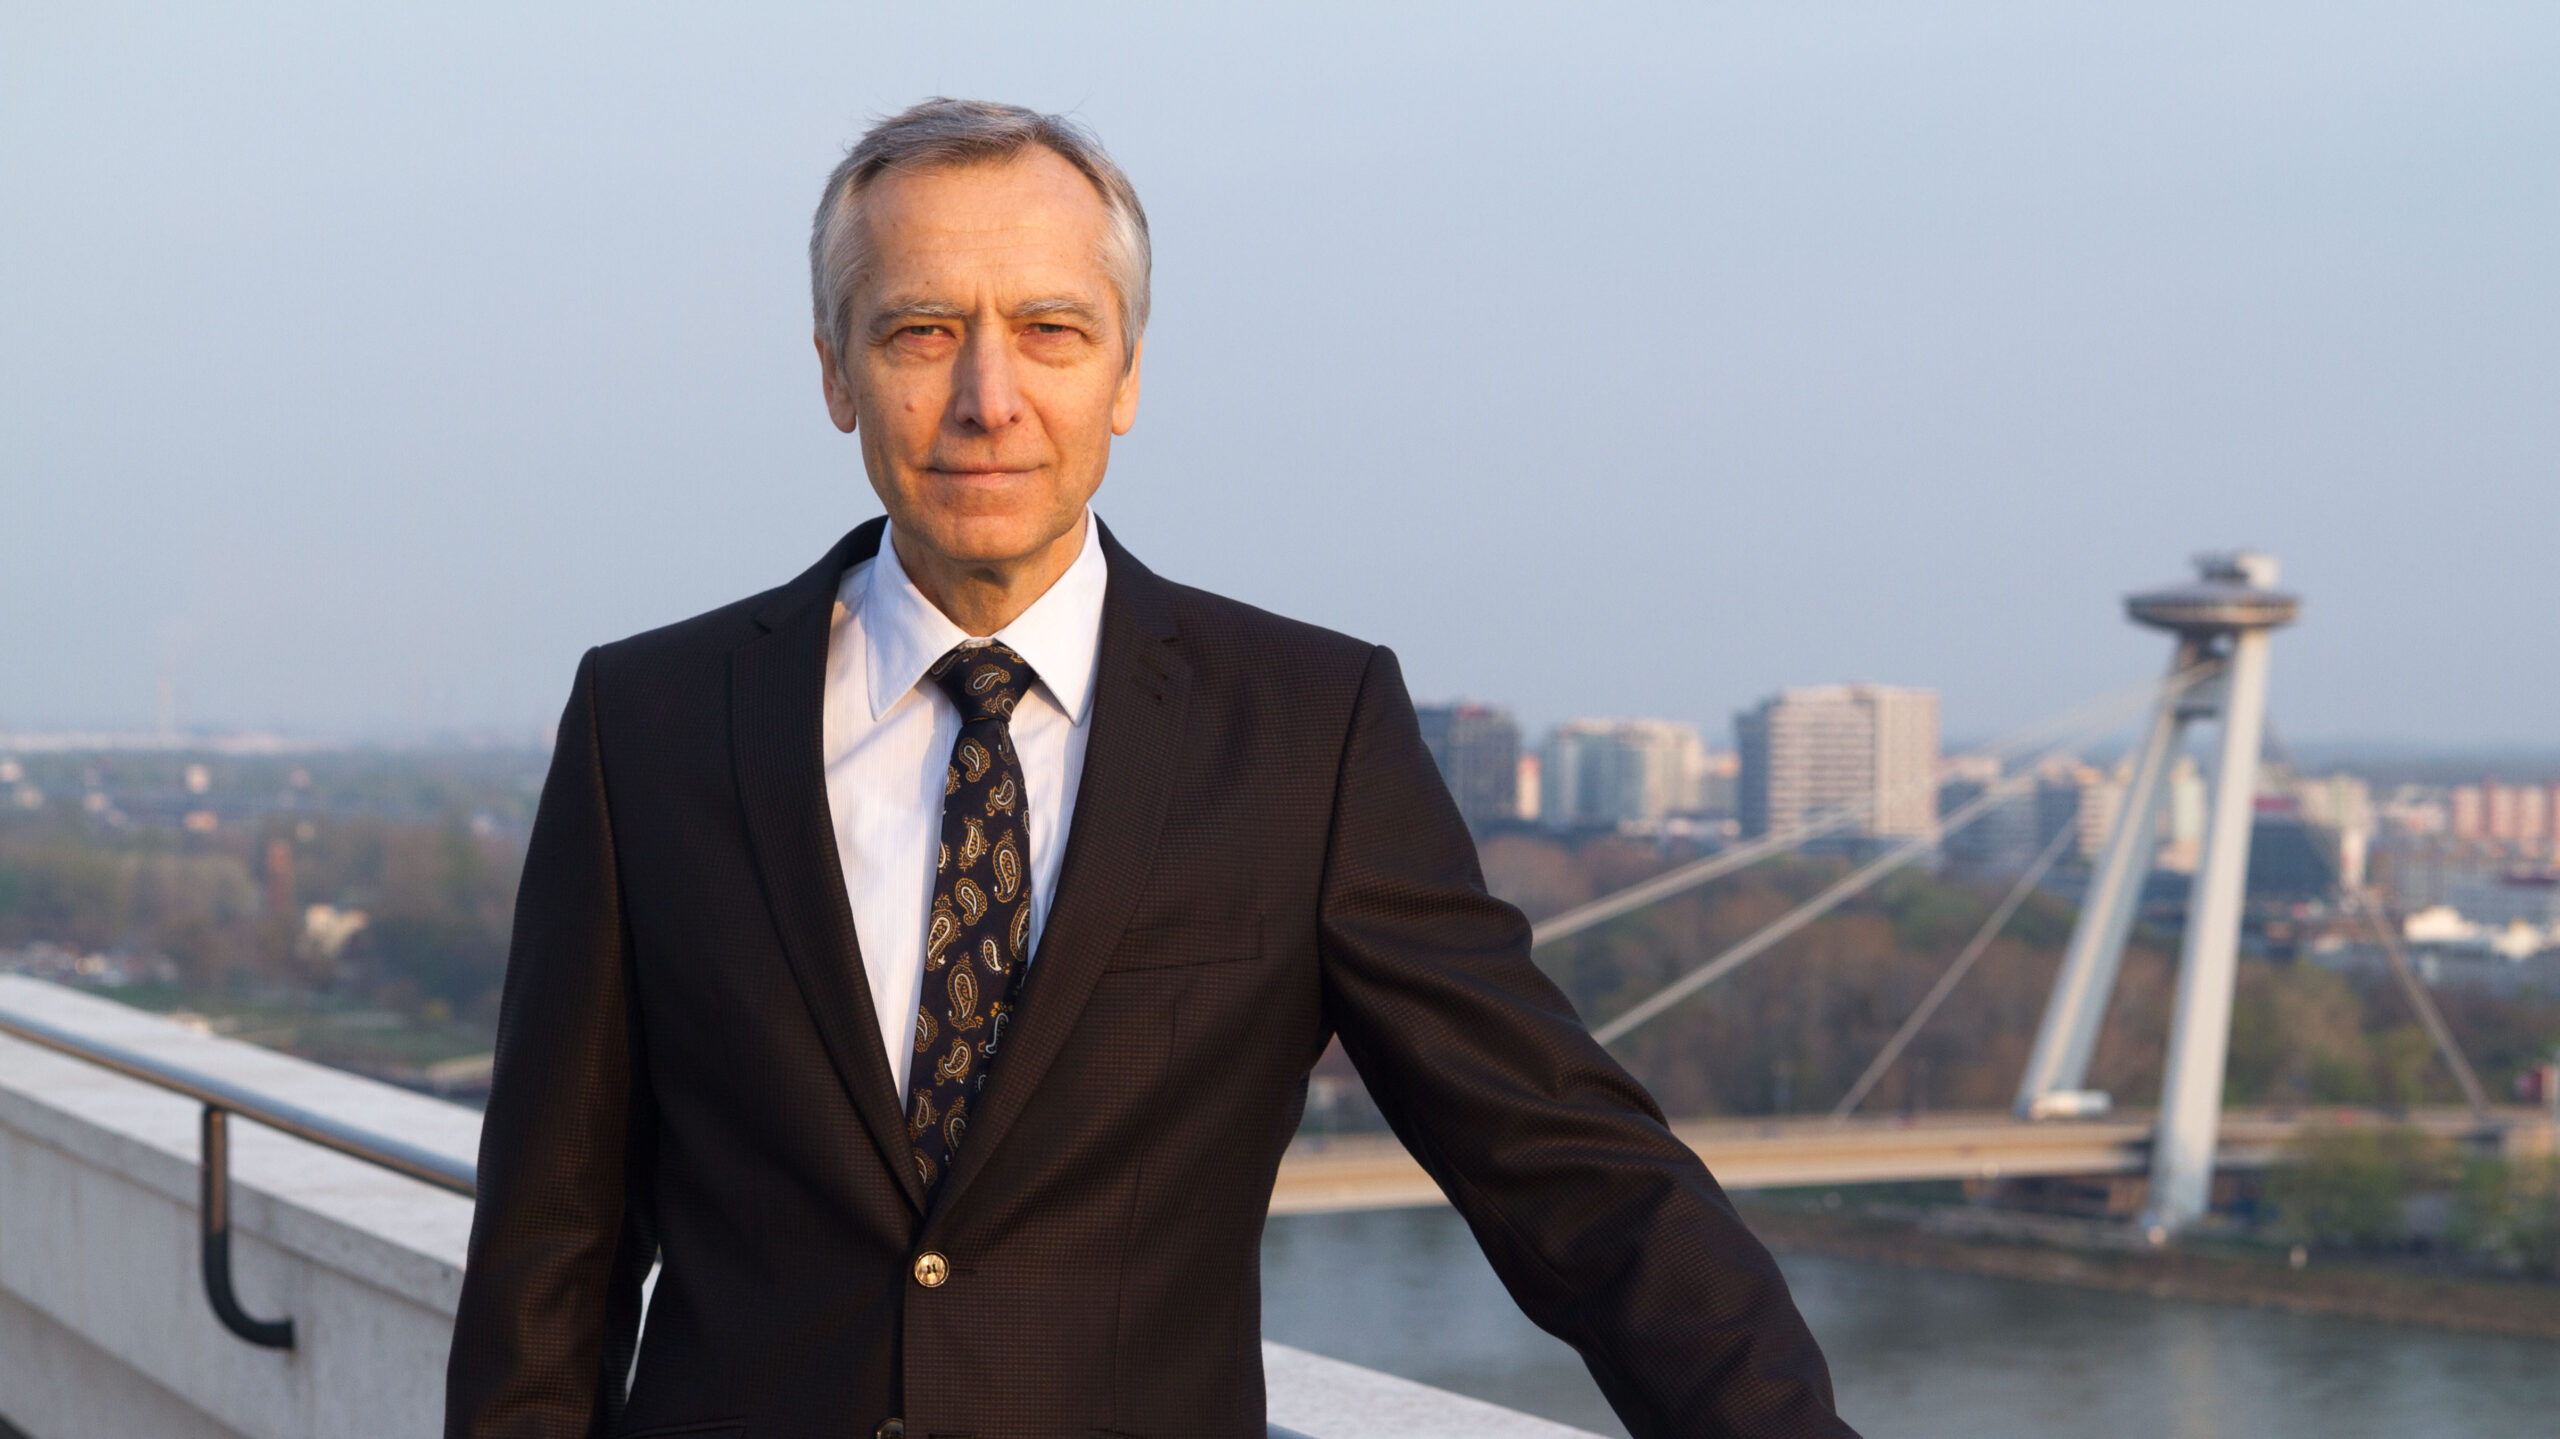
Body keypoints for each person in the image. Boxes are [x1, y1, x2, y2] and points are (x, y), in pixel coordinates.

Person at [446, 97, 1857, 1439]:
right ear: (834, 371)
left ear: (1125, 375)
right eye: (922, 331)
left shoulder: (1310, 735)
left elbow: (1568, 1170)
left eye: (1050, 331)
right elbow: (548, 1257)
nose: (988, 397)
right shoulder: (649, 725)